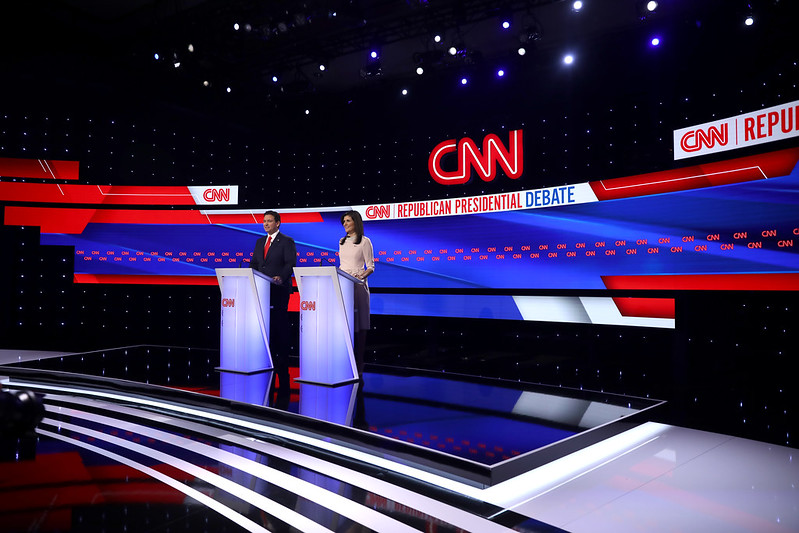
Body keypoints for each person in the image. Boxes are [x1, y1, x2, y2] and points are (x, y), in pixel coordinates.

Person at [250, 210, 296, 389]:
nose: (266, 224)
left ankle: (282, 361)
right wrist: (249, 274)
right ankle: (266, 357)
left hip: (279, 289)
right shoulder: (260, 241)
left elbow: (290, 263)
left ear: (278, 223)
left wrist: (281, 277)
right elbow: (255, 263)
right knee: (264, 324)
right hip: (262, 290)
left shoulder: (287, 241)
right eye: (264, 221)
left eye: (269, 221)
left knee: (279, 325)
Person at [338, 210, 374, 376]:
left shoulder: (365, 242)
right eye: (344, 221)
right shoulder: (341, 241)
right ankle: (345, 360)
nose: (345, 224)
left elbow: (371, 267)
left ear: (356, 222)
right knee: (346, 323)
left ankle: (359, 362)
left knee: (360, 325)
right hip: (343, 284)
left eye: (348, 221)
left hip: (358, 286)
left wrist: (361, 275)